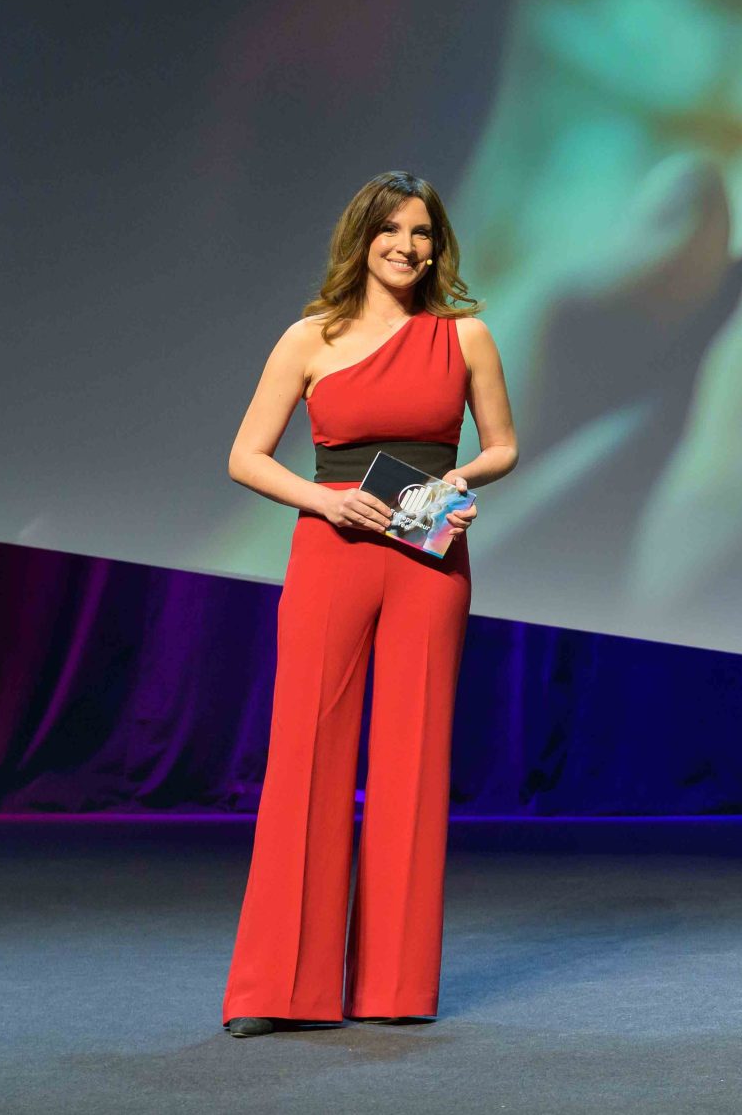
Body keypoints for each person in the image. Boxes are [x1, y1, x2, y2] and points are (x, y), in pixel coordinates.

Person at [220, 171, 518, 1036]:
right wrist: (325, 501)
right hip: (332, 549)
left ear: (437, 246)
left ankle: (395, 987)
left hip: (430, 556)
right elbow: (246, 456)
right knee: (307, 755)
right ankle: (279, 991)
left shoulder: (465, 337)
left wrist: (458, 479)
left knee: (414, 760)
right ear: (363, 238)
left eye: (421, 232)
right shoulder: (308, 338)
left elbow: (502, 446)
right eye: (391, 229)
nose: (406, 245)